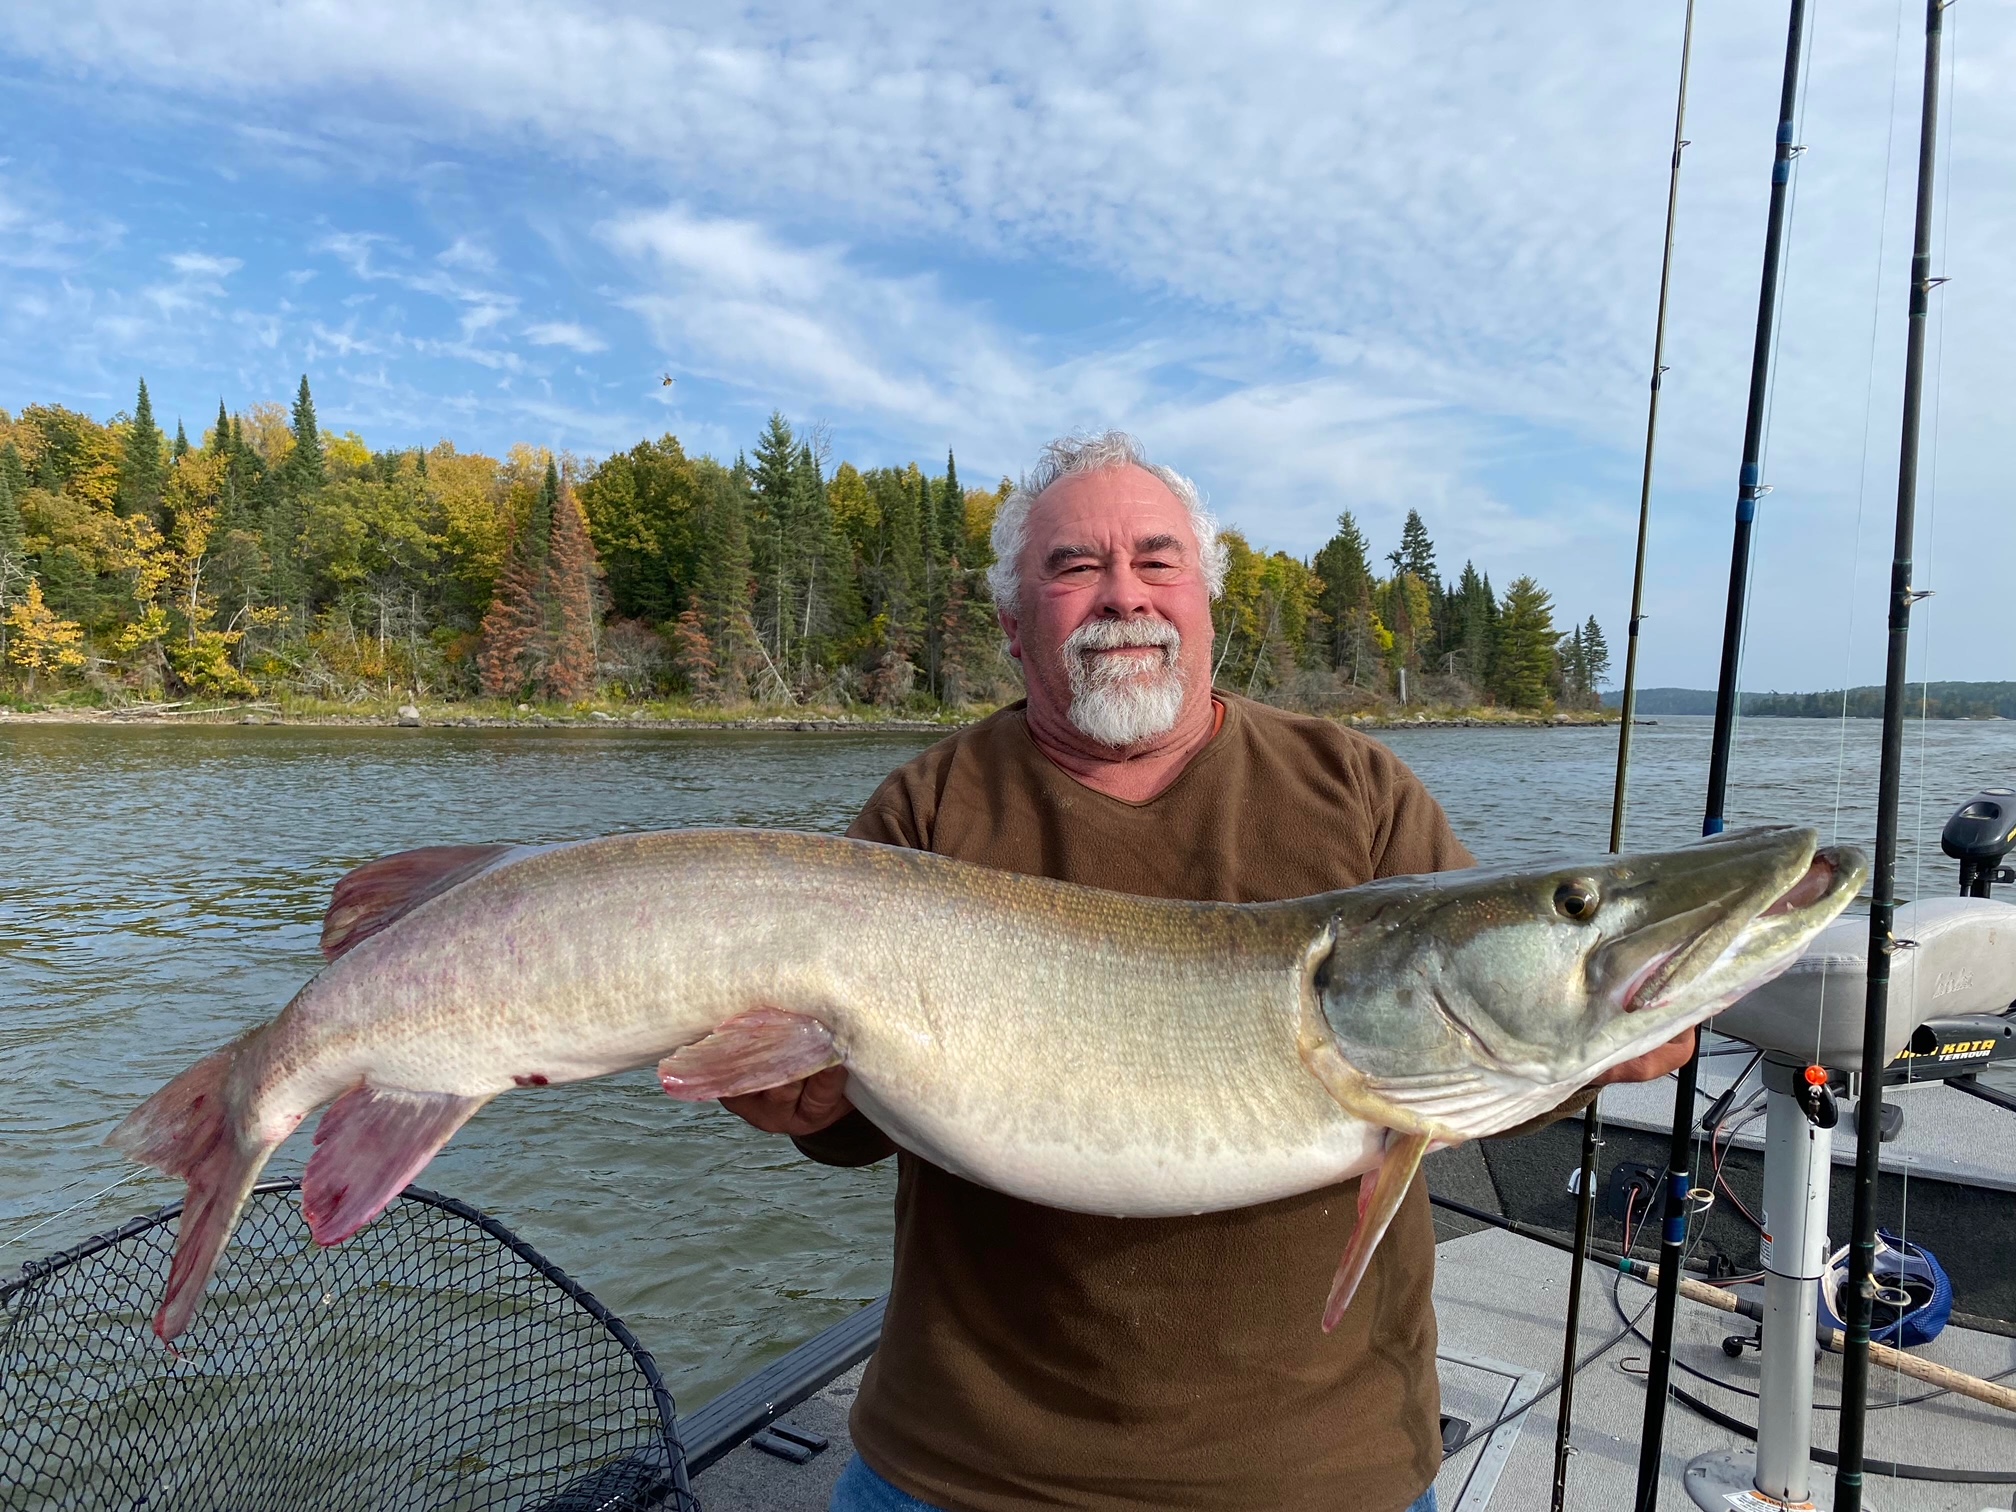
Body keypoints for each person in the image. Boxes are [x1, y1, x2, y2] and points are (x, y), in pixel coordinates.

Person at [724, 432, 1692, 1512]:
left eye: (1157, 560)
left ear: (1208, 603)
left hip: (1321, 1475)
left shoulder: (1355, 787)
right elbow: (852, 1128)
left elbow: (1460, 1070)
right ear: (1011, 624)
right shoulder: (925, 811)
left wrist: (1589, 1051)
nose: (1121, 597)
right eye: (1074, 568)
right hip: (962, 1470)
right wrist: (797, 1099)